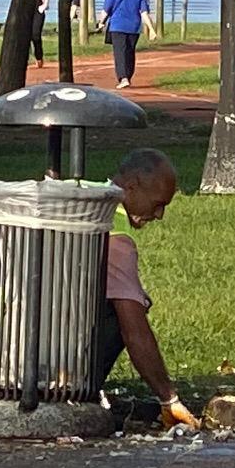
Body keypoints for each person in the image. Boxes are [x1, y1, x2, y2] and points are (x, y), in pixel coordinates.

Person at [99, 149, 200, 430]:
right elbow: (134, 327)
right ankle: (76, 387)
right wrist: (169, 398)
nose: (160, 214)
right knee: (130, 305)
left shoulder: (88, 196)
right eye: (157, 204)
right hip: (44, 363)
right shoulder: (114, 231)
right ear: (131, 187)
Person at [98, 0, 155, 89]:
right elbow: (144, 13)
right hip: (134, 28)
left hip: (117, 26)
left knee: (120, 52)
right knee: (130, 52)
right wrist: (151, 29)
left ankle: (123, 77)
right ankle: (128, 76)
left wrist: (101, 23)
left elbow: (105, 11)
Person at [32, 0, 49, 69]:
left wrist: (45, 5)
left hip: (37, 9)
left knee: (36, 35)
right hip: (24, 11)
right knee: (25, 36)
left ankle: (39, 56)